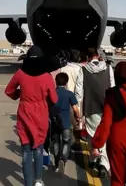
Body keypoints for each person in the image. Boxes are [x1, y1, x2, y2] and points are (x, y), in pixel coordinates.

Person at [5, 45, 58, 186]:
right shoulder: (47, 76)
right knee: (39, 149)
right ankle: (38, 180)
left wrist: (19, 95)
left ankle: (28, 183)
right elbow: (54, 99)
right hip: (40, 113)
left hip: (24, 112)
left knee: (26, 151)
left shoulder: (20, 73)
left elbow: (9, 91)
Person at [74, 47, 115, 177]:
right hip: (106, 106)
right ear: (98, 55)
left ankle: (94, 158)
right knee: (105, 134)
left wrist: (78, 110)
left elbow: (78, 91)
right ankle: (104, 163)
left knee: (92, 134)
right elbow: (113, 87)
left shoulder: (83, 70)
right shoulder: (108, 69)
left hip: (90, 108)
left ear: (88, 57)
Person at [49, 72, 82, 173]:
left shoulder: (51, 93)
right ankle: (63, 159)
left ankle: (56, 161)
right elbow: (75, 109)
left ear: (56, 82)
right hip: (66, 122)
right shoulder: (69, 94)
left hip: (54, 122)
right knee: (66, 142)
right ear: (66, 82)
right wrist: (78, 118)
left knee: (55, 142)